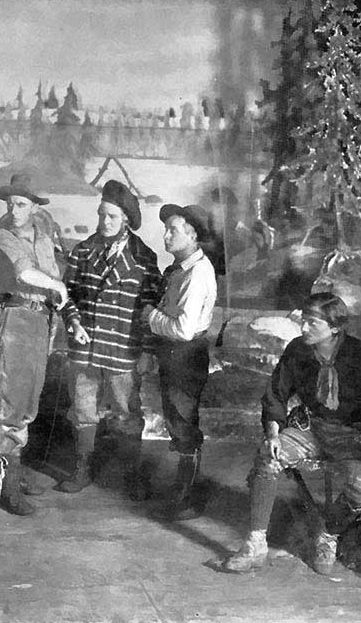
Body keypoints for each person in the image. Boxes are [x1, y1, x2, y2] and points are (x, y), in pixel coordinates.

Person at [222, 292, 361, 576]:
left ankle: (329, 533)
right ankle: (256, 543)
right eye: (304, 320)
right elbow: (275, 395)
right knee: (269, 456)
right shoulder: (297, 351)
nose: (304, 327)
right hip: (311, 427)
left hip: (355, 434)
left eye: (313, 323)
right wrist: (273, 434)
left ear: (334, 328)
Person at [56, 179, 162, 498]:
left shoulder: (144, 257)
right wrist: (73, 321)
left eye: (112, 216)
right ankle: (83, 468)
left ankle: (131, 474)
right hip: (85, 348)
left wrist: (147, 351)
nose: (104, 221)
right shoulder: (82, 251)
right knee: (83, 410)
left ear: (126, 219)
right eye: (101, 214)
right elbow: (65, 295)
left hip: (122, 349)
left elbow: (150, 307)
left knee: (126, 412)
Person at [0, 173, 67, 516]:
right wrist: (57, 287)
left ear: (34, 207)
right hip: (16, 318)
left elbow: (54, 270)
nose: (14, 210)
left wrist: (59, 289)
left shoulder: (43, 233)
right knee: (12, 402)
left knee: (30, 398)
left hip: (40, 320)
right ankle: (8, 487)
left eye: (21, 204)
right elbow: (24, 273)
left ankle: (16, 475)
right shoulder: (2, 233)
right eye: (10, 204)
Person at [140, 204, 218, 520]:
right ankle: (183, 490)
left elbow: (184, 329)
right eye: (166, 229)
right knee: (177, 420)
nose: (166, 236)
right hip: (174, 354)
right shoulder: (179, 269)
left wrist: (150, 317)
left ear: (193, 235)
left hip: (185, 354)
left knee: (183, 423)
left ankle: (189, 497)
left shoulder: (197, 274)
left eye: (173, 230)